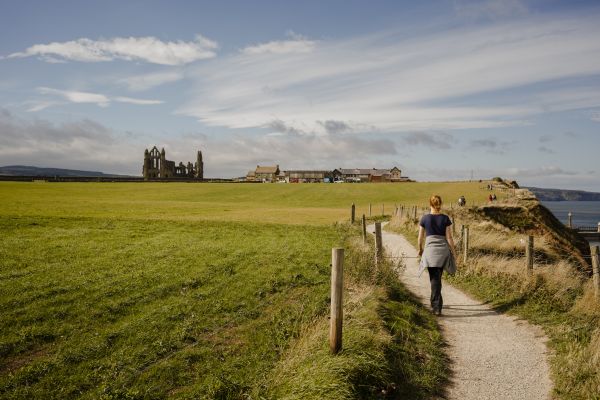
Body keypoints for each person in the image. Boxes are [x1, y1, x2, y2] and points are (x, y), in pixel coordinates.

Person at [417, 195, 457, 316]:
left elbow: (420, 238)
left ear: (430, 204)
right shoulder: (445, 218)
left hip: (430, 252)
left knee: (434, 279)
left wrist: (420, 249)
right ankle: (436, 303)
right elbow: (449, 238)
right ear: (440, 204)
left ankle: (436, 307)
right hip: (442, 252)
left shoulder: (424, 218)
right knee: (437, 278)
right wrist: (454, 253)